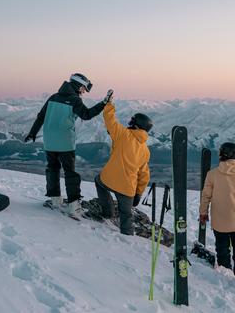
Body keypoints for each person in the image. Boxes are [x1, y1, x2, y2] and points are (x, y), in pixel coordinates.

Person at [24, 73, 109, 217]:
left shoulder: (53, 97)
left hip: (49, 141)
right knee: (70, 173)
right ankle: (74, 206)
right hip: (65, 142)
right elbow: (86, 115)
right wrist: (104, 103)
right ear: (78, 86)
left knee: (53, 169)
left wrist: (32, 133)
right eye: (83, 89)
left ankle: (55, 200)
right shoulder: (74, 100)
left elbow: (41, 116)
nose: (83, 92)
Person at [95, 93, 151, 235]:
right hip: (128, 188)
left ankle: (108, 213)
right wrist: (138, 193)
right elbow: (144, 175)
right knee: (126, 215)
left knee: (98, 181)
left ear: (135, 124)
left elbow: (110, 120)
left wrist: (109, 104)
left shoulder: (123, 134)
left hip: (108, 179)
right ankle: (128, 238)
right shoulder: (145, 150)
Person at [198, 142, 235, 274]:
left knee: (222, 248)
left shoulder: (212, 174)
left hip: (219, 221)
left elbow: (206, 196)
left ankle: (225, 272)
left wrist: (203, 213)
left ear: (221, 154)